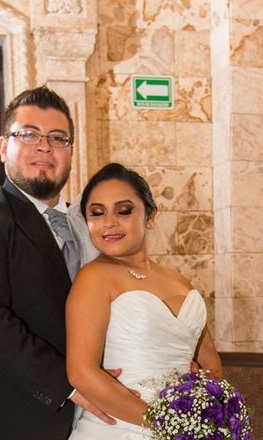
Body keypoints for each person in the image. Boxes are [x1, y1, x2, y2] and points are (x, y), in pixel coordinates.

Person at [0, 86, 117, 440]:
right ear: (4, 146)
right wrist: (70, 384)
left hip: (95, 426)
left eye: (57, 137)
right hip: (11, 425)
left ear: (70, 150)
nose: (44, 146)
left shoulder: (90, 228)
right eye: (29, 134)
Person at [66, 163, 222, 439]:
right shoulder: (93, 278)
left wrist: (207, 416)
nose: (109, 222)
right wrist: (165, 425)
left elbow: (209, 361)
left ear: (150, 216)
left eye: (124, 211)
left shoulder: (179, 281)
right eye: (97, 213)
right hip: (123, 427)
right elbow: (82, 373)